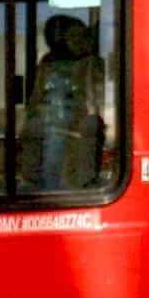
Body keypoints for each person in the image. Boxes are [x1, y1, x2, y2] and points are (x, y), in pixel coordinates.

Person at [26, 13, 107, 192]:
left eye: (82, 35)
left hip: (76, 124)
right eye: (72, 36)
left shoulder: (92, 63)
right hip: (55, 124)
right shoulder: (49, 63)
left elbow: (96, 97)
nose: (78, 41)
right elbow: (37, 98)